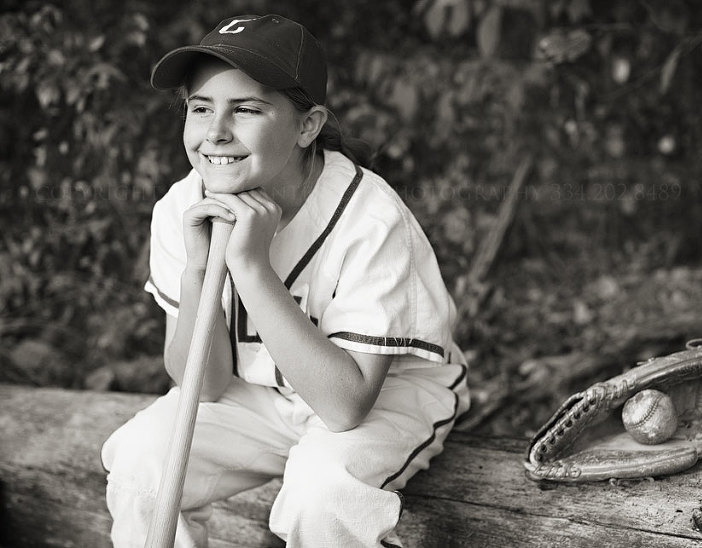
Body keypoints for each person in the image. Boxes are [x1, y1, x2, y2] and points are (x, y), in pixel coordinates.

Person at [101, 13, 470, 548]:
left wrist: (249, 267)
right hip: (260, 394)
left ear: (307, 125)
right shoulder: (183, 204)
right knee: (140, 461)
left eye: (246, 110)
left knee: (322, 493)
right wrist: (201, 271)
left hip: (385, 397)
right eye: (200, 108)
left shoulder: (369, 218)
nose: (216, 132)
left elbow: (345, 407)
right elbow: (201, 387)